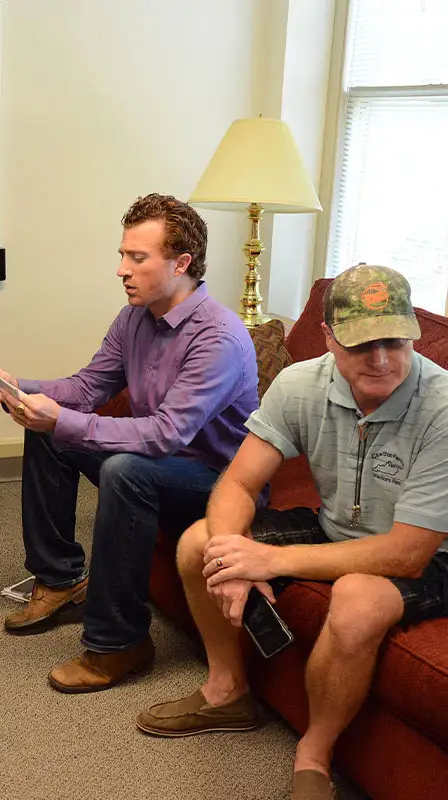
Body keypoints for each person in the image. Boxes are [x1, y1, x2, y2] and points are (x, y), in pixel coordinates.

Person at [137, 265, 448, 800]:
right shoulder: (301, 383)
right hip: (335, 529)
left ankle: (314, 754)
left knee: (357, 598)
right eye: (360, 343)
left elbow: (405, 553)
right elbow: (237, 483)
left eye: (394, 342)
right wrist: (233, 555)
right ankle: (228, 691)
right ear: (328, 338)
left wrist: (270, 562)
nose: (380, 359)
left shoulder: (441, 408)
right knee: (199, 543)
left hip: (432, 554)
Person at [0, 193, 259, 692]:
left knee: (122, 468)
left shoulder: (219, 337)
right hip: (161, 461)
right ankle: (60, 579)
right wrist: (15, 390)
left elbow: (167, 433)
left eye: (137, 258)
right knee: (50, 434)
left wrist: (62, 418)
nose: (121, 269)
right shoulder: (134, 317)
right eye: (123, 255)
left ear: (181, 263)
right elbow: (85, 389)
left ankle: (119, 643)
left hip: (217, 480)